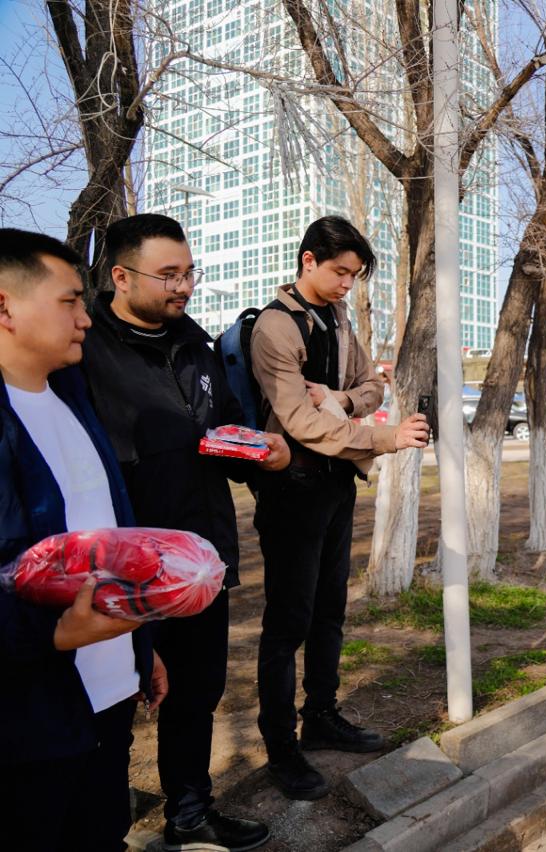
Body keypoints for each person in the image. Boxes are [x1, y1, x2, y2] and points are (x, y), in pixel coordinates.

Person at [80, 214, 286, 851]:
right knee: (112, 704)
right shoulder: (84, 350)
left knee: (198, 691)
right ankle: (100, 829)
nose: (185, 286)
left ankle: (190, 812)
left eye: (188, 272)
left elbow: (222, 425)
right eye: (168, 275)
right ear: (120, 275)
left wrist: (263, 450)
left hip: (201, 558)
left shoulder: (195, 344)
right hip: (122, 565)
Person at [0, 229, 167, 851]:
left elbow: (105, 537)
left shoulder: (70, 396)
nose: (85, 320)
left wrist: (139, 647)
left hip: (109, 691)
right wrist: (55, 635)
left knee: (103, 833)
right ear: (5, 306)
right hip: (29, 717)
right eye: (70, 301)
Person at [251, 216, 429, 800]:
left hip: (334, 485)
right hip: (292, 489)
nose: (348, 283)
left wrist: (340, 397)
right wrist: (382, 436)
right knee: (287, 624)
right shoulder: (276, 328)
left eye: (354, 275)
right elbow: (299, 425)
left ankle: (321, 715)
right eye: (339, 272)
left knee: (330, 612)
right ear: (308, 261)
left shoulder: (338, 317)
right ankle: (281, 747)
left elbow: (373, 386)